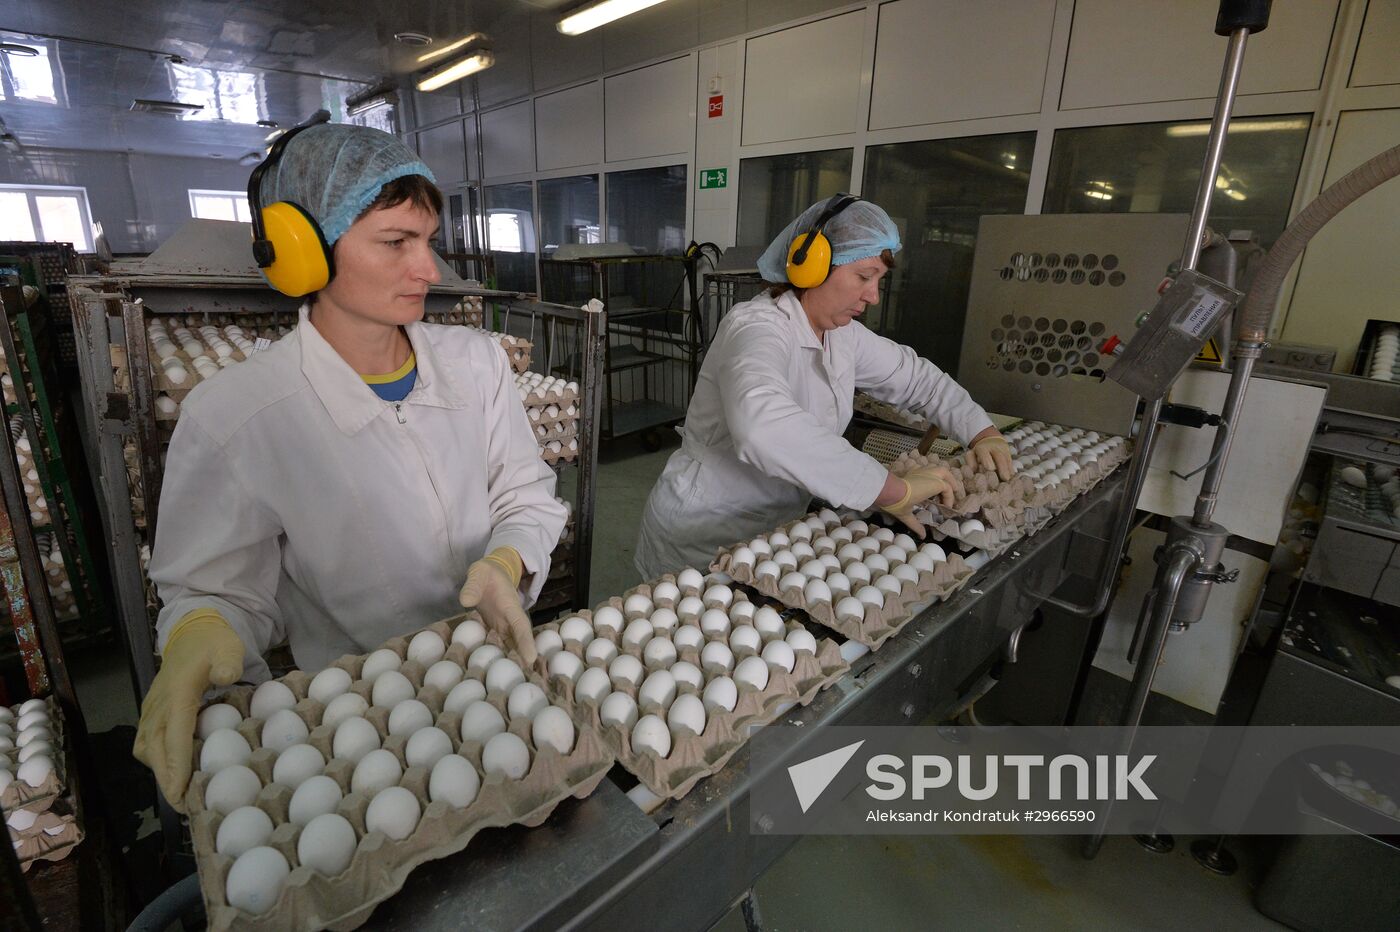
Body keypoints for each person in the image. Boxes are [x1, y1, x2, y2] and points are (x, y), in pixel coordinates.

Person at [133, 124, 568, 809]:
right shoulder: (240, 416)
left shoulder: (475, 365)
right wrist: (198, 631)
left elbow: (524, 492)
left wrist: (507, 562)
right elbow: (215, 588)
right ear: (304, 252)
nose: (429, 269)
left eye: (427, 241)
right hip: (364, 715)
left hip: (495, 670)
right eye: (397, 242)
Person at [635, 194, 1013, 580]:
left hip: (773, 533)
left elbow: (916, 378)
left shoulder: (842, 335)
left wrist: (982, 432)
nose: (873, 296)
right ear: (810, 266)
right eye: (864, 277)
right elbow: (761, 425)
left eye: (880, 280)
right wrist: (891, 490)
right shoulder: (755, 327)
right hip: (703, 532)